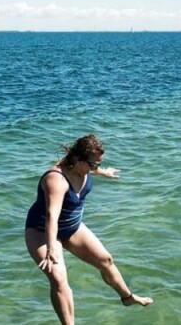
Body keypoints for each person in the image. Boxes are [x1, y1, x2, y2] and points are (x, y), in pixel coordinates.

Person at [24, 134, 153, 324]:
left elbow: (90, 169)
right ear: (77, 160)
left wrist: (103, 172)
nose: (95, 168)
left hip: (71, 227)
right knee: (58, 278)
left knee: (106, 260)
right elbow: (52, 215)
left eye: (98, 164)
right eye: (93, 164)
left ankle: (127, 298)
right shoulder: (56, 180)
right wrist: (51, 248)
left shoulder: (82, 168)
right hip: (42, 230)